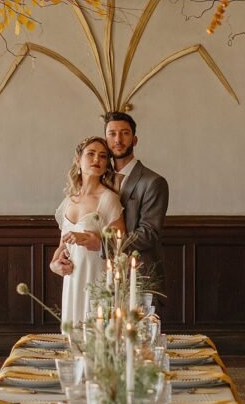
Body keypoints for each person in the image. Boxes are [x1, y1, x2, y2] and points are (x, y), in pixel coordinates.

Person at [50, 136, 125, 329]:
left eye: (102, 156)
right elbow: (62, 246)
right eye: (90, 154)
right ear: (78, 160)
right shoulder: (69, 200)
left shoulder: (108, 199)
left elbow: (121, 244)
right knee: (72, 339)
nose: (96, 160)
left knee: (95, 337)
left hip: (96, 278)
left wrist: (94, 240)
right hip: (73, 281)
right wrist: (54, 265)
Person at [103, 112, 169, 305]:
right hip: (103, 277)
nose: (118, 139)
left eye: (124, 133)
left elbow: (148, 233)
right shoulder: (100, 180)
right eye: (112, 133)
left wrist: (102, 244)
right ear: (105, 139)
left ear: (135, 139)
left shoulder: (153, 182)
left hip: (139, 274)